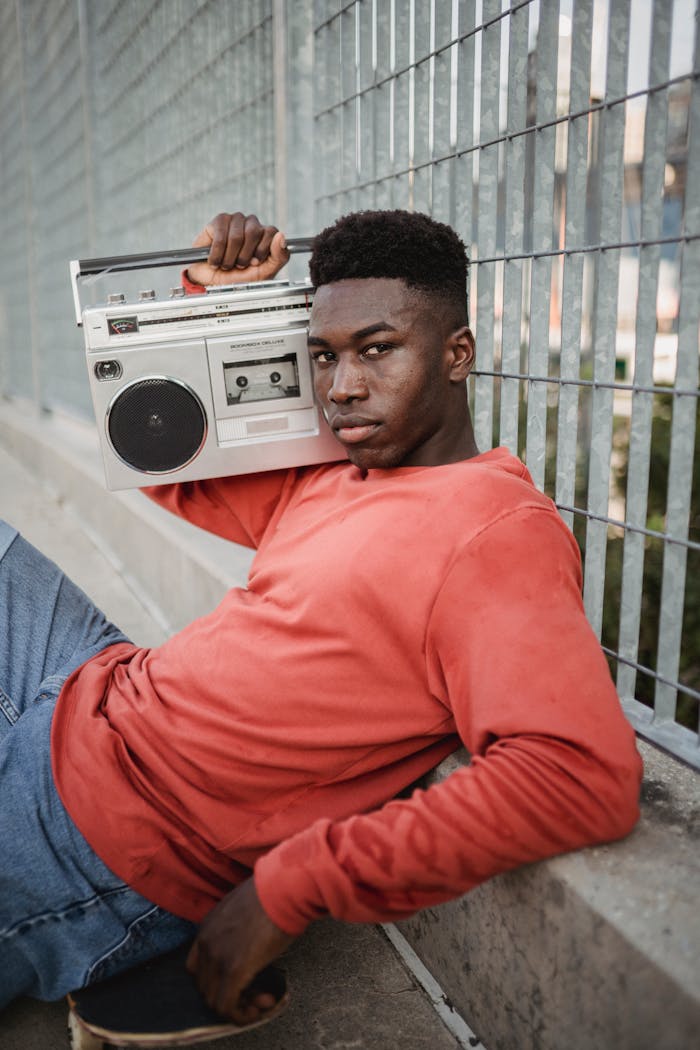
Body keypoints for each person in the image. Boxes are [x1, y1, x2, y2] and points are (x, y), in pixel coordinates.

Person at [0, 210, 642, 1025]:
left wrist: (291, 883)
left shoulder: (496, 532)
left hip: (115, 829)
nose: (341, 387)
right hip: (83, 687)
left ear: (458, 354)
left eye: (377, 350)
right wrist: (211, 300)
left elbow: (578, 775)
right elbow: (163, 464)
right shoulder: (341, 472)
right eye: (323, 356)